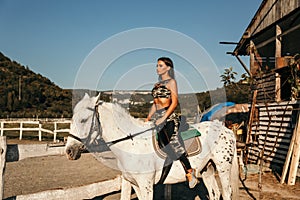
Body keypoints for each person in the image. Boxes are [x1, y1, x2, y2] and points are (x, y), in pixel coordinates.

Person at [145, 57, 197, 188]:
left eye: (161, 65)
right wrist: (148, 117)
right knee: (159, 147)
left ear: (168, 68)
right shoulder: (156, 85)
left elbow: (174, 103)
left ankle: (190, 172)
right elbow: (155, 104)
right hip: (158, 119)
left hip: (169, 118)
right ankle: (159, 178)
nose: (157, 68)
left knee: (173, 144)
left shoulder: (171, 82)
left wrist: (163, 118)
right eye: (157, 65)